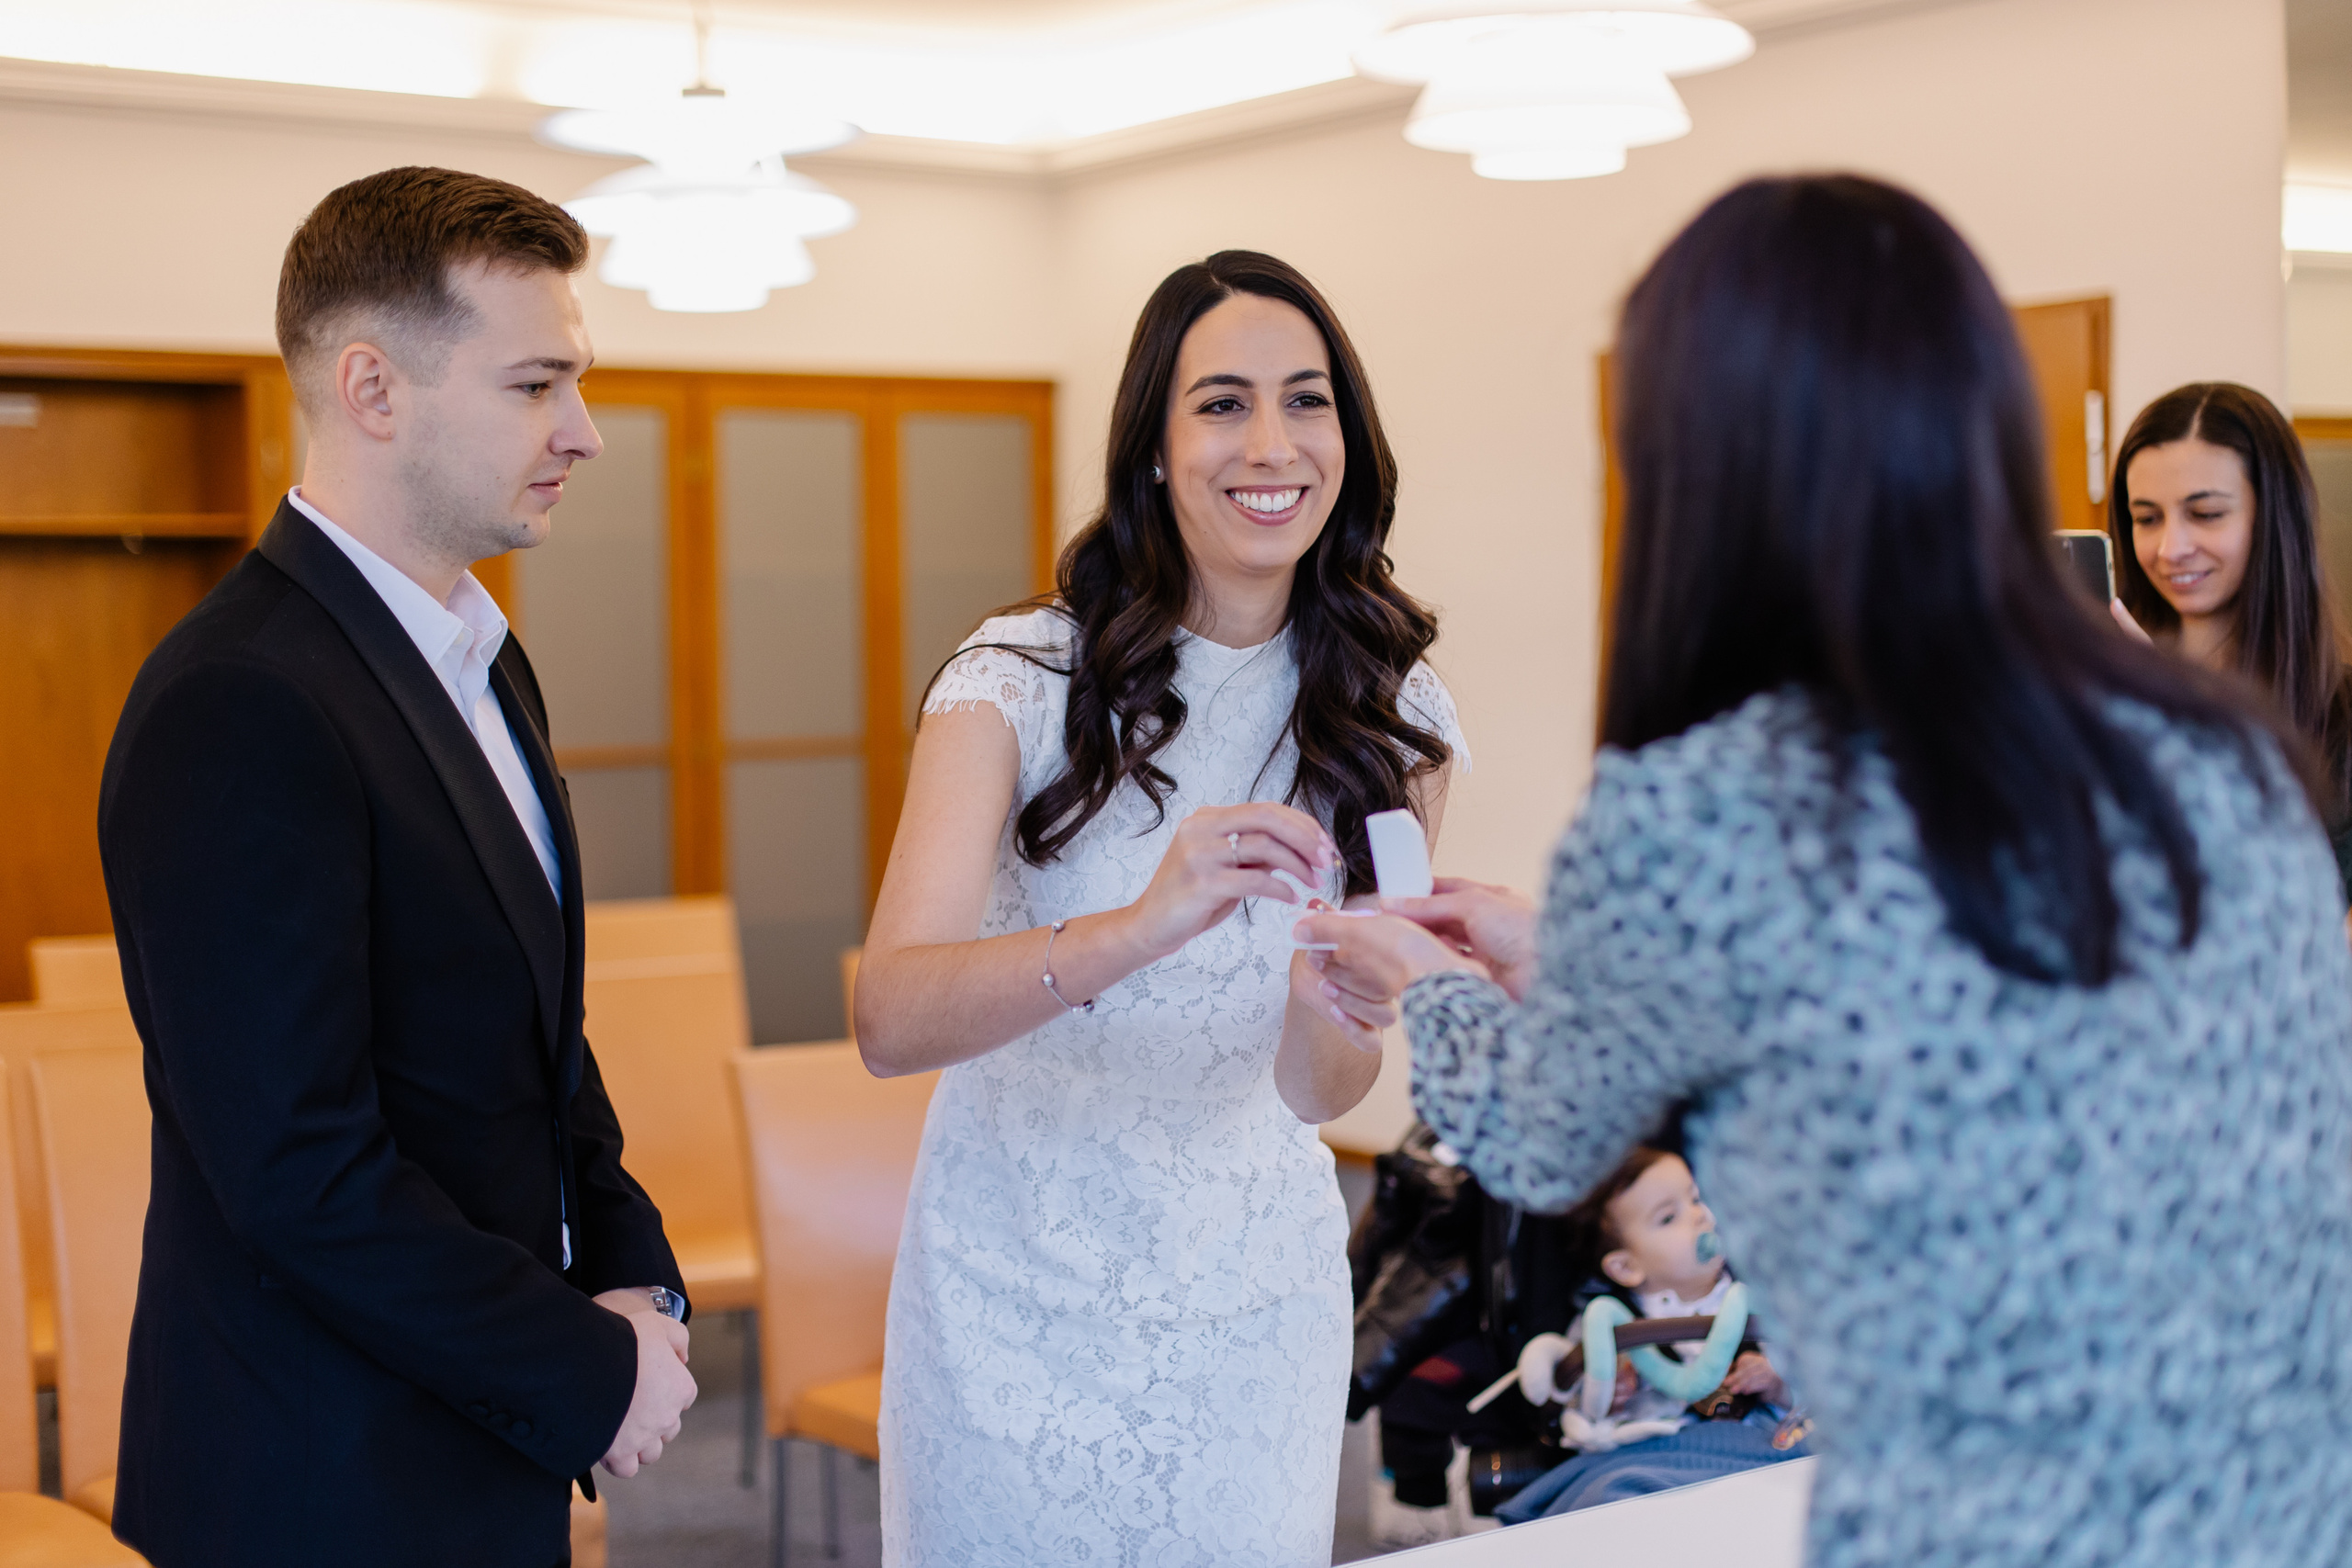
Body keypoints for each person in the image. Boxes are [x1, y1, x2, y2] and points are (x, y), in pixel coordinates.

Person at [1298, 174, 2352, 1565]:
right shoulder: (2210, 749)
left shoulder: (1709, 800)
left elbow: (1543, 1130)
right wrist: (1568, 951)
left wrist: (1426, 979)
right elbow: (1905, 999)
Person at [98, 167, 695, 1568]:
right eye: (536, 384)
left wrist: (629, 1266)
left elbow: (536, 1033)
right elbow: (295, 1163)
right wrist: (580, 1362)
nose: (584, 432)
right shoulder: (237, 698)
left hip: (467, 1437)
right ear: (373, 387)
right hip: (315, 1473)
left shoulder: (488, 660)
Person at [856, 249, 1467, 1566]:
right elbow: (890, 1015)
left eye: (1309, 401)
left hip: (1256, 1297)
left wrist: (1329, 1000)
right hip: (1015, 1283)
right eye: (1223, 402)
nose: (1273, 443)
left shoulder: (1393, 712)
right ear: (1152, 445)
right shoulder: (1016, 677)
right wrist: (1143, 919)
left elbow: (1329, 1088)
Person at [2109, 382, 2352, 896]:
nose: (2171, 548)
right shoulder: (2104, 684)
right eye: (2147, 518)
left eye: (2206, 514)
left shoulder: (2341, 716)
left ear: (2274, 518)